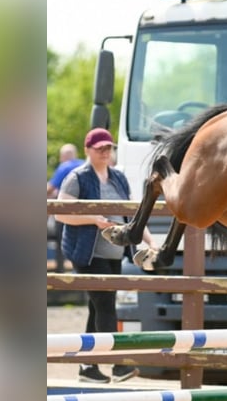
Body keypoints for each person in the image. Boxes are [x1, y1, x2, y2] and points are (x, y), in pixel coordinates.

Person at [56, 128, 156, 383]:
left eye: (108, 147)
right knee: (105, 305)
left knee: (96, 307)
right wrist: (94, 219)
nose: (105, 152)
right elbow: (60, 213)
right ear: (88, 149)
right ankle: (119, 363)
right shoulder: (76, 177)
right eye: (100, 148)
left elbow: (133, 214)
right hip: (87, 254)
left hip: (113, 252)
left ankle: (87, 367)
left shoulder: (119, 178)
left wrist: (150, 240)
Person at [48, 143, 83, 272]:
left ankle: (60, 270)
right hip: (89, 213)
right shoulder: (85, 164)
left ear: (63, 156)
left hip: (69, 212)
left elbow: (50, 188)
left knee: (60, 238)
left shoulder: (65, 166)